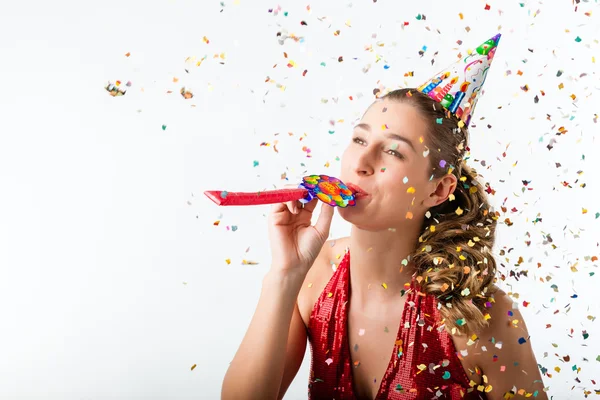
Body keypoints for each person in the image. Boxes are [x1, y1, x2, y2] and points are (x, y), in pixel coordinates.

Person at [221, 34, 548, 400]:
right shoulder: (316, 274)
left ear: (438, 190)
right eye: (359, 140)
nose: (360, 164)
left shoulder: (482, 316)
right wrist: (284, 275)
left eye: (392, 151)